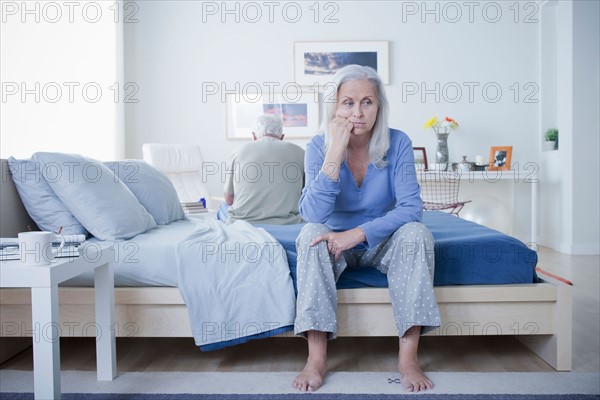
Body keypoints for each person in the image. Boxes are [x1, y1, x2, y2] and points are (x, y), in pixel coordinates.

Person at [292, 65, 441, 393]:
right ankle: (316, 360)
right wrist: (334, 150)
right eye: (347, 103)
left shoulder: (398, 142)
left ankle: (408, 359)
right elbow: (311, 213)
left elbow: (411, 209)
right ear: (334, 107)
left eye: (367, 102)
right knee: (309, 236)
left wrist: (357, 234)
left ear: (379, 107)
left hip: (382, 241)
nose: (357, 112)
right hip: (332, 243)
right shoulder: (317, 146)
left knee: (417, 234)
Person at [223, 113, 305, 225]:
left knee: (222, 210)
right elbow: (307, 197)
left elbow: (229, 200)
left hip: (244, 224)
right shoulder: (301, 153)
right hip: (289, 224)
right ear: (282, 137)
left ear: (254, 136)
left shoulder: (237, 152)